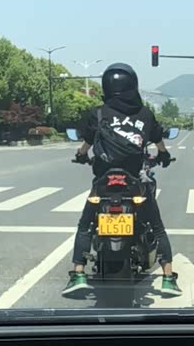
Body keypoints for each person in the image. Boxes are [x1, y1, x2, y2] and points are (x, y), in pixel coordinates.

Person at [63, 62, 181, 298]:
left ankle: (78, 273)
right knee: (157, 227)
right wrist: (164, 155)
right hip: (133, 181)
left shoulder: (99, 113)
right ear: (133, 85)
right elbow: (159, 141)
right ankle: (168, 277)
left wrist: (80, 155)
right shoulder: (144, 114)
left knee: (85, 225)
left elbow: (86, 143)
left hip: (104, 182)